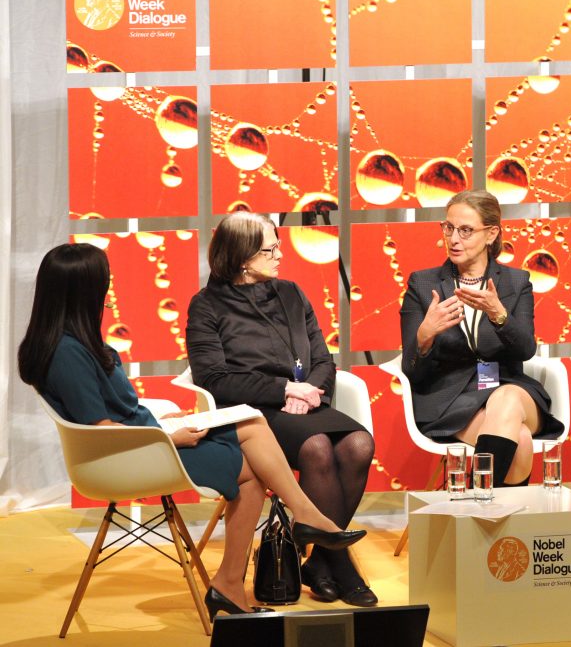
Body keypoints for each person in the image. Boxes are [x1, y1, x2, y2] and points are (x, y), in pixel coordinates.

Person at [18, 243, 363, 619]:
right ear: (83, 291)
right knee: (251, 451)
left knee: (250, 438)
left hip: (147, 440)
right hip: (128, 455)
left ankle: (253, 564)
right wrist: (171, 436)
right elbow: (104, 428)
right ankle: (295, 527)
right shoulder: (67, 353)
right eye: (104, 281)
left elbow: (121, 413)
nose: (108, 288)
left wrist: (169, 423)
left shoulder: (77, 342)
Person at [185, 213, 377, 606]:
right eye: (269, 249)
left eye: (278, 244)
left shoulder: (292, 292)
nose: (280, 254)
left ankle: (321, 560)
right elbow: (213, 379)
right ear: (242, 258)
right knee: (318, 448)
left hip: (304, 403)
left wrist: (309, 392)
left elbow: (323, 358)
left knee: (358, 444)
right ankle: (341, 567)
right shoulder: (207, 306)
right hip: (250, 413)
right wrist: (282, 388)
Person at [399, 190, 564, 486]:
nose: (453, 239)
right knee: (521, 440)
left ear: (491, 234)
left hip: (512, 390)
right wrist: (424, 336)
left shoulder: (517, 282)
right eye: (448, 228)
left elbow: (526, 349)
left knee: (508, 397)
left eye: (465, 230)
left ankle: (472, 505)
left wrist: (499, 313)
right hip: (453, 400)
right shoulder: (422, 284)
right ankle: (499, 526)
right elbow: (411, 370)